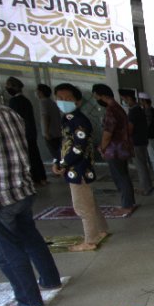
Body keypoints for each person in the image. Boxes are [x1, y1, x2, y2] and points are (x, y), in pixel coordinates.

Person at [0, 63, 61, 306]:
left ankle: (27, 300)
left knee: (5, 252)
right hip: (21, 190)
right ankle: (49, 278)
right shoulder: (7, 112)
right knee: (30, 238)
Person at [53, 83, 108, 251]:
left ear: (77, 101)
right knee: (89, 201)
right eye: (60, 98)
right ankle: (101, 229)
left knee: (82, 206)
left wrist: (63, 163)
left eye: (68, 99)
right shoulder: (66, 119)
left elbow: (78, 148)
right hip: (73, 168)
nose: (63, 102)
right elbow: (64, 144)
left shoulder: (79, 121)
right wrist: (57, 160)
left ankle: (90, 240)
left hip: (79, 169)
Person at [92, 84, 135, 215]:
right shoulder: (119, 109)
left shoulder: (112, 110)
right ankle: (129, 202)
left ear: (102, 95)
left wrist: (102, 148)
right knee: (124, 176)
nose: (96, 99)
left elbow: (107, 134)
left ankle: (127, 205)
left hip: (115, 150)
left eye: (96, 96)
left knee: (120, 177)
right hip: (122, 148)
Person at [5, 76, 47, 185]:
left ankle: (35, 179)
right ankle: (41, 177)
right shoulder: (25, 100)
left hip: (23, 133)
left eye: (8, 86)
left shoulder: (14, 101)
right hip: (30, 132)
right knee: (35, 154)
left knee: (29, 157)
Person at [119, 89, 153, 196]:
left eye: (124, 99)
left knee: (140, 165)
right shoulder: (140, 109)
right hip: (142, 140)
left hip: (137, 142)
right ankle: (148, 186)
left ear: (129, 98)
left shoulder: (134, 111)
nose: (124, 101)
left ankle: (145, 188)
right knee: (143, 164)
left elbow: (130, 129)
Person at [138, 92, 154, 181]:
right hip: (153, 136)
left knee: (153, 156)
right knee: (153, 155)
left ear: (144, 101)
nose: (140, 103)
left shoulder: (148, 111)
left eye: (141, 101)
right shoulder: (152, 110)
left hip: (150, 137)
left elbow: (146, 125)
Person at [36, 83, 62, 164]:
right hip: (57, 132)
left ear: (41, 92)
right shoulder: (52, 103)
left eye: (37, 91)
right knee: (59, 151)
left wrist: (46, 132)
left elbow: (45, 117)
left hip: (50, 133)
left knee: (55, 153)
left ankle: (58, 168)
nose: (36, 93)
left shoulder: (43, 102)